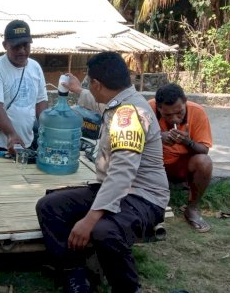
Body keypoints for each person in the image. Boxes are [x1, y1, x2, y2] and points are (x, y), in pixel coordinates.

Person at [36, 52, 169, 293]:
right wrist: (77, 90)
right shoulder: (119, 100)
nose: (88, 87)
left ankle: (127, 288)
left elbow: (122, 174)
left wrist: (89, 219)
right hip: (118, 190)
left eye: (88, 83)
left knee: (103, 230)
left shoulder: (129, 116)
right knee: (50, 206)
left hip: (143, 197)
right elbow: (97, 102)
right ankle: (75, 274)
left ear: (97, 84)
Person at [148, 83, 213, 233]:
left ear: (185, 101)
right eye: (167, 115)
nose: (174, 119)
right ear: (158, 107)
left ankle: (192, 208)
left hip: (181, 165)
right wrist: (158, 138)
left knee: (204, 162)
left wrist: (187, 142)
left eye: (179, 113)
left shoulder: (197, 112)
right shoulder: (147, 109)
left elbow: (204, 150)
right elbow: (136, 142)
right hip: (154, 163)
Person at [0, 19, 48, 154]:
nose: (22, 51)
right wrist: (11, 134)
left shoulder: (35, 67)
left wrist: (46, 129)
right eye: (16, 46)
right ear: (5, 45)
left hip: (25, 143)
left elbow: (41, 100)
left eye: (26, 45)